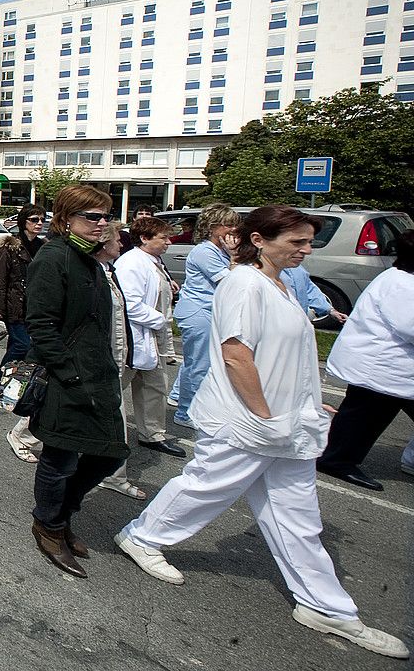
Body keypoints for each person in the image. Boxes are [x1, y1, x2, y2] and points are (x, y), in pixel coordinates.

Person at [116, 206, 408, 659]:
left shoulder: (282, 283)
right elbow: (236, 355)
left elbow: (288, 349)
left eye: (309, 242)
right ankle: (142, 537)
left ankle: (324, 606)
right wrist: (266, 415)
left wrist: (308, 401)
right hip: (249, 420)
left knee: (298, 515)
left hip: (287, 420)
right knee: (207, 486)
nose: (306, 250)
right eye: (297, 242)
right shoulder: (243, 284)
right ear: (259, 240)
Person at [24, 185, 125, 578]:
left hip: (98, 375)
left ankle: (63, 514)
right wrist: (70, 374)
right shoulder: (54, 257)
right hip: (68, 378)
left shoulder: (90, 259)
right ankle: (48, 526)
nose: (102, 224)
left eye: (106, 216)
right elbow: (42, 326)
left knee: (110, 452)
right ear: (65, 221)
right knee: (61, 457)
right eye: (92, 217)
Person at [317, 229, 414, 491]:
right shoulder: (402, 284)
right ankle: (335, 460)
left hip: (390, 367)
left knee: (362, 414)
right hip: (380, 365)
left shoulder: (402, 279)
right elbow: (410, 326)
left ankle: (337, 458)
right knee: (362, 415)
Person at [114, 216, 186, 459]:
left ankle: (152, 434)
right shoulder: (131, 263)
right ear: (144, 239)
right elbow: (130, 305)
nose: (168, 242)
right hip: (136, 340)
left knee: (154, 388)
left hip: (153, 339)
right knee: (111, 390)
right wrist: (160, 321)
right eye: (163, 237)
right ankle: (32, 434)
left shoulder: (153, 261)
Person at [170, 204, 241, 429]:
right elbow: (230, 282)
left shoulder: (219, 251)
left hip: (210, 311)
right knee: (199, 365)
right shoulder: (204, 252)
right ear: (213, 227)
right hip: (198, 312)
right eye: (228, 225)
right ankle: (185, 412)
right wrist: (235, 257)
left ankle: (178, 395)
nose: (234, 230)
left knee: (196, 361)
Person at [93, 221, 146, 500]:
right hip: (98, 363)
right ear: (103, 246)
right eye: (116, 242)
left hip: (115, 358)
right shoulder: (92, 274)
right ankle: (114, 474)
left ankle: (111, 473)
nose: (121, 245)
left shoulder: (109, 272)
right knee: (116, 420)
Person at [0, 204, 46, 462]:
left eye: (41, 219)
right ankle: (3, 378)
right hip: (15, 304)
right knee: (20, 346)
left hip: (34, 306)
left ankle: (4, 376)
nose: (38, 223)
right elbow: (0, 280)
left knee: (20, 346)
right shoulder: (10, 246)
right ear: (23, 221)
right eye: (34, 219)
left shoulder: (42, 246)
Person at [281, 265, 347, 325]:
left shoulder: (297, 268)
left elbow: (309, 289)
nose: (308, 251)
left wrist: (330, 310)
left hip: (299, 322)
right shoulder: (272, 272)